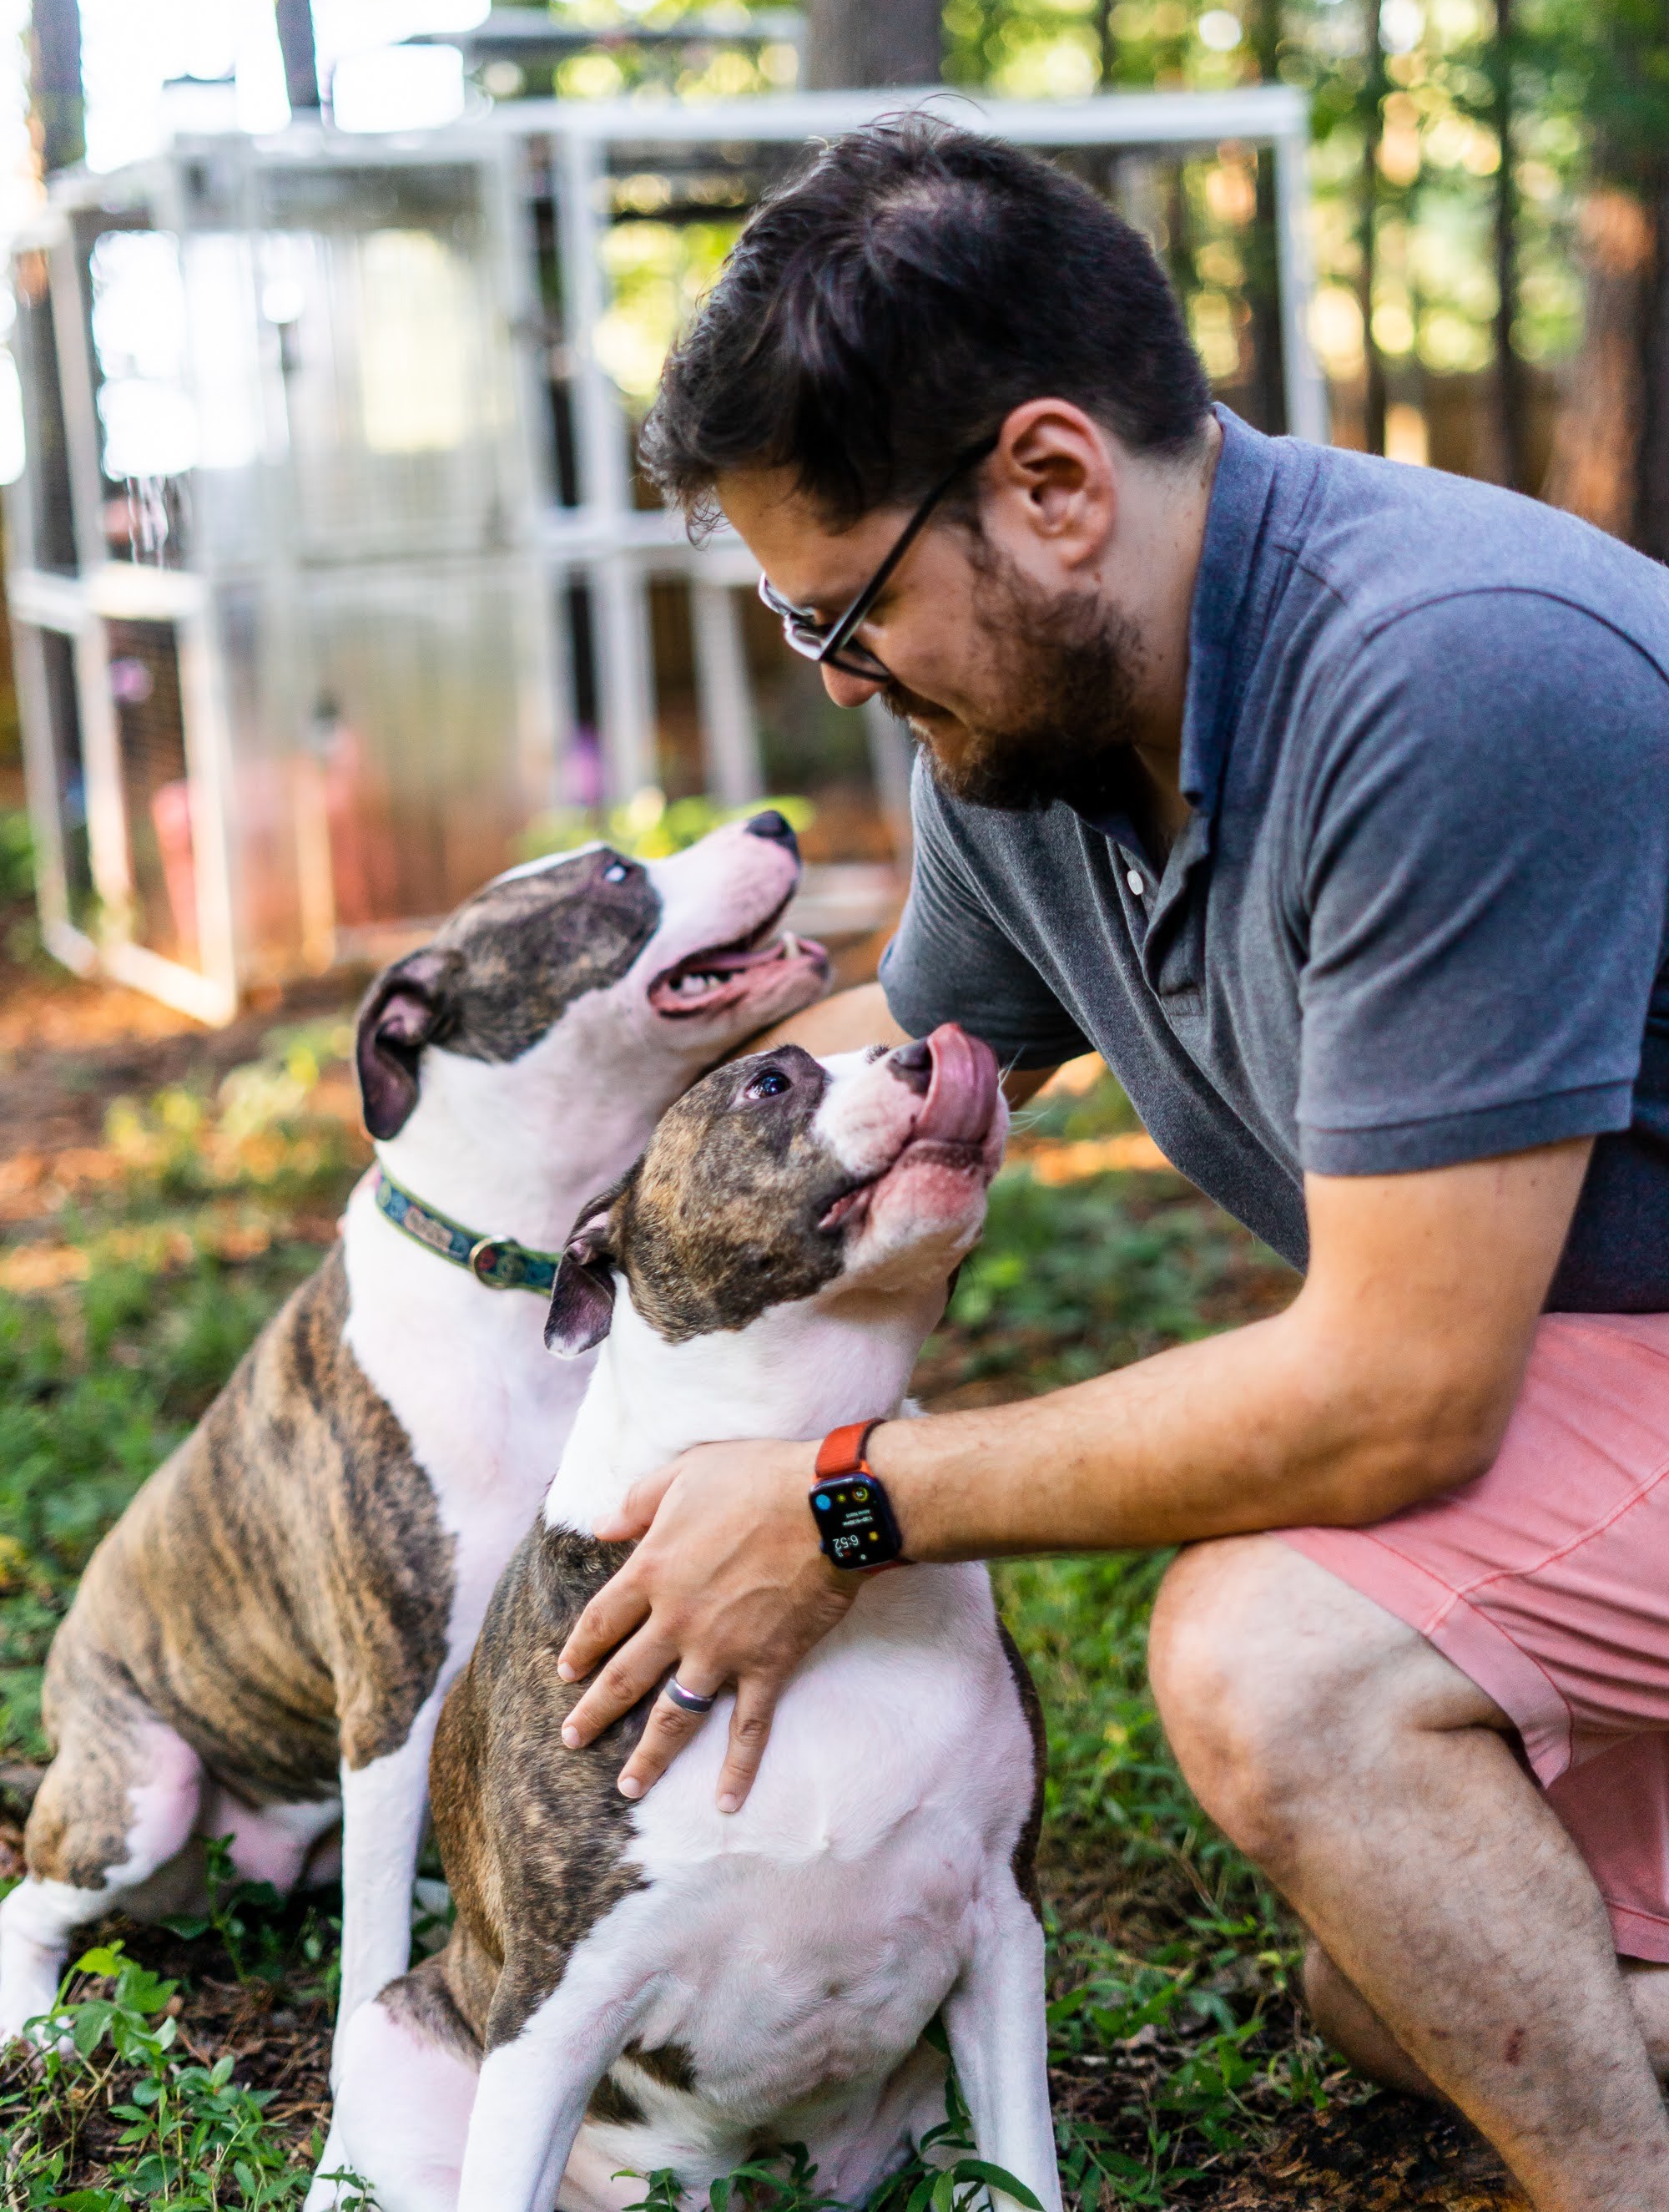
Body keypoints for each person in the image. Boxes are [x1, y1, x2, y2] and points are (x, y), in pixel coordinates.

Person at [552, 119, 1669, 2210]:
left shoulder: (1447, 676)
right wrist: (515, 1195)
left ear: (1051, 485)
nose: (845, 679)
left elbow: (1394, 1394)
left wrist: (846, 1505)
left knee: (1280, 1666)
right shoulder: (1032, 749)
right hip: (1621, 1422)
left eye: (844, 617)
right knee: (1410, 1971)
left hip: (1574, 1390)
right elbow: (873, 1069)